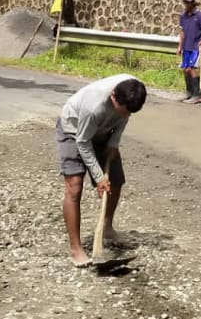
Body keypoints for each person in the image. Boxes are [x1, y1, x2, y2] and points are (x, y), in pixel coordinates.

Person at [55, 74, 147, 266]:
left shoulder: (132, 92)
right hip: (74, 131)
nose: (126, 115)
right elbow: (83, 142)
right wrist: (98, 178)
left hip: (104, 131)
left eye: (129, 113)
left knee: (116, 179)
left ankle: (106, 227)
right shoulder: (93, 107)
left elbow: (123, 118)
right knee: (75, 186)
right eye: (122, 111)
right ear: (113, 96)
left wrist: (113, 143)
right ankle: (76, 249)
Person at [177, 0, 201, 103]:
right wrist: (180, 46)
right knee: (185, 69)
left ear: (192, 3)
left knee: (191, 68)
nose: (186, 5)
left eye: (188, 2)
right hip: (186, 46)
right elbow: (182, 33)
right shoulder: (183, 16)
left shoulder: (199, 16)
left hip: (195, 46)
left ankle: (197, 95)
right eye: (185, 2)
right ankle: (189, 92)